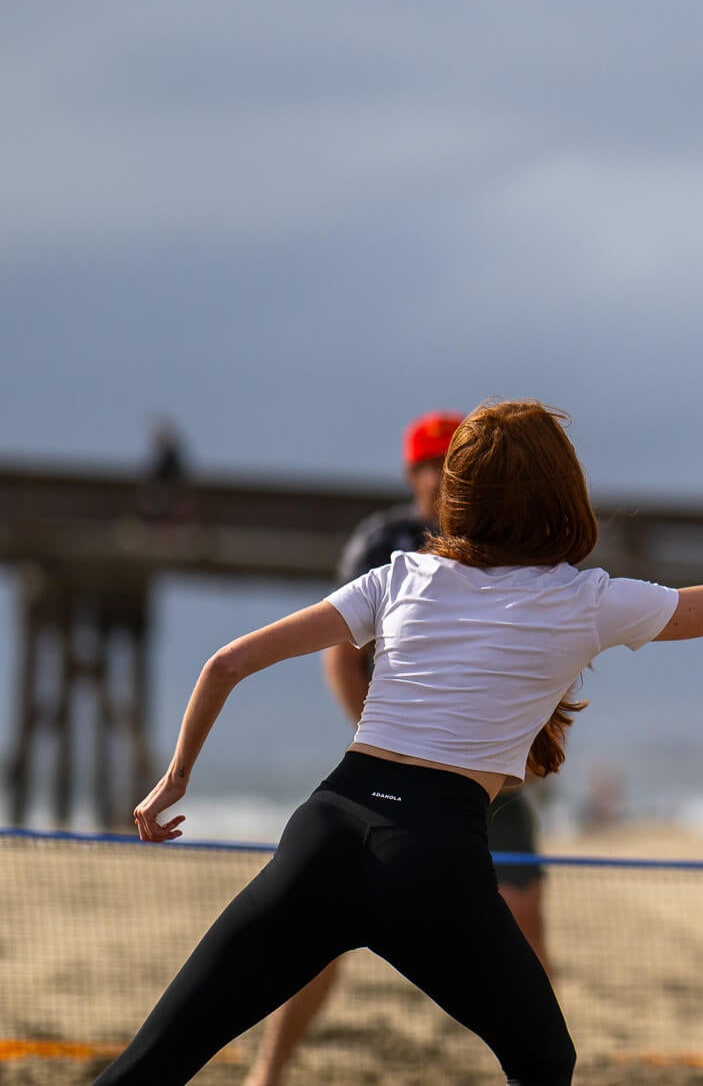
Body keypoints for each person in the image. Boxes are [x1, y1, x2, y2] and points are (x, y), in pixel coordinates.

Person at [100, 400, 703, 1084]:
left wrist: (173, 779)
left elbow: (223, 663)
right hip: (433, 858)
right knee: (543, 1063)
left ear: (459, 497)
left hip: (324, 831)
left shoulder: (402, 575)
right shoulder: (590, 600)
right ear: (561, 494)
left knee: (151, 1065)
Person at [245, 409, 560, 1086]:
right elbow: (339, 653)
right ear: (415, 474)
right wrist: (389, 744)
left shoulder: (509, 542)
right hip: (391, 778)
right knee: (317, 931)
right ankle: (268, 1071)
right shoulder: (385, 543)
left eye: (460, 461)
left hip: (488, 782)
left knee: (526, 920)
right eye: (438, 464)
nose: (451, 477)